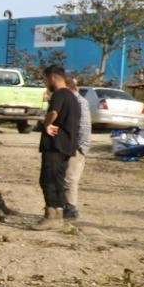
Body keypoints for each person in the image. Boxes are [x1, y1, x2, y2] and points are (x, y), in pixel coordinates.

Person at [37, 64, 80, 226]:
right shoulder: (72, 97)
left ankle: (50, 217)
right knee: (58, 179)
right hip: (67, 146)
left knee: (48, 179)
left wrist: (47, 124)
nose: (46, 83)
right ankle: (58, 215)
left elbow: (54, 112)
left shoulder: (60, 94)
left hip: (56, 145)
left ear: (52, 78)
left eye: (46, 79)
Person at [63, 77, 91, 220]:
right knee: (66, 178)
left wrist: (79, 147)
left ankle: (71, 208)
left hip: (76, 147)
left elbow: (84, 127)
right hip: (71, 146)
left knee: (70, 178)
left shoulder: (79, 102)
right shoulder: (73, 101)